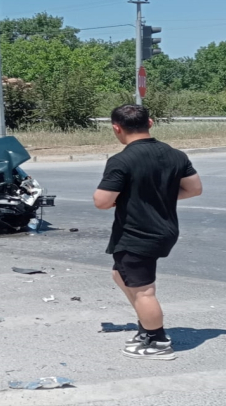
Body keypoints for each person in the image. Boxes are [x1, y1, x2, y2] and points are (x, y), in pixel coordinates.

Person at [93, 104, 202, 360]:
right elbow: (194, 188)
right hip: (164, 229)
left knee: (144, 290)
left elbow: (102, 201)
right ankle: (147, 327)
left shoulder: (121, 160)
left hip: (138, 232)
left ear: (116, 128)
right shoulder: (175, 155)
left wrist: (135, 198)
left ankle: (157, 341)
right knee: (120, 275)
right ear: (150, 123)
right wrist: (156, 196)